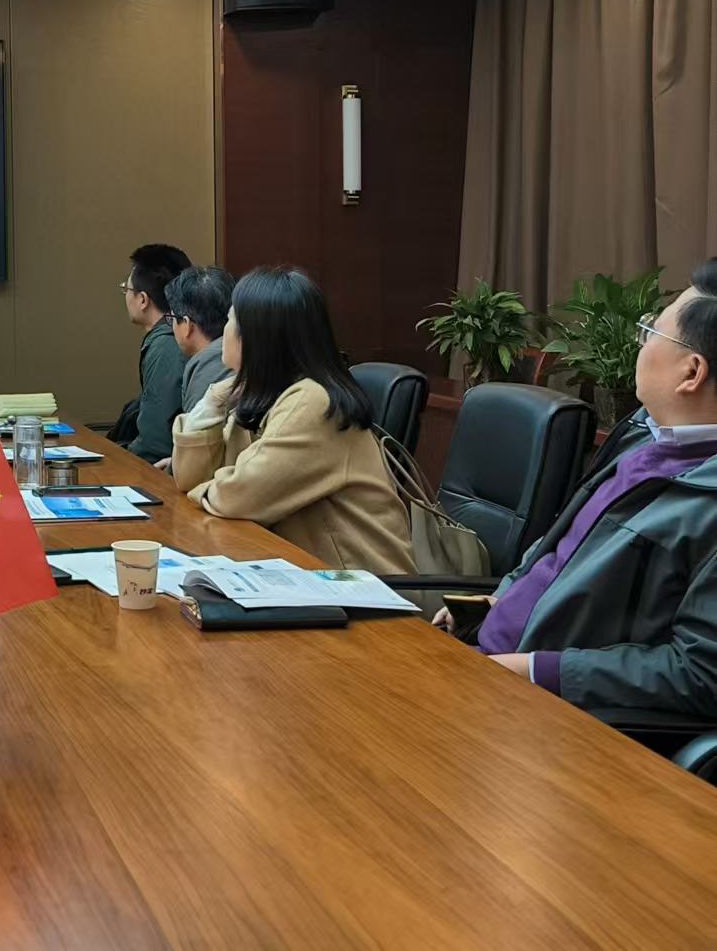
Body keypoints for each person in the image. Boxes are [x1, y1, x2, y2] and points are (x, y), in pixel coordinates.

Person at [441, 260, 717, 716]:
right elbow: (563, 551)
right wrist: (500, 599)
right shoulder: (643, 438)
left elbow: (700, 673)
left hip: (547, 712)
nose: (641, 343)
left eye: (652, 331)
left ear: (691, 373)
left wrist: (536, 671)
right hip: (483, 658)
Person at [171, 266, 413, 573]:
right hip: (306, 574)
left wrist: (209, 488)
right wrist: (213, 400)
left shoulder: (313, 401)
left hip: (362, 586)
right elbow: (189, 478)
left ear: (257, 336)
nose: (224, 331)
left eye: (231, 319)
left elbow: (238, 496)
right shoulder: (256, 394)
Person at [119, 243, 192, 463]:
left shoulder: (166, 346)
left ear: (143, 299)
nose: (125, 295)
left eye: (126, 289)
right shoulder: (173, 334)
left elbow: (155, 444)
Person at [166, 265, 236, 413]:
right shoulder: (241, 356)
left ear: (186, 325)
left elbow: (194, 428)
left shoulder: (207, 371)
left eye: (171, 318)